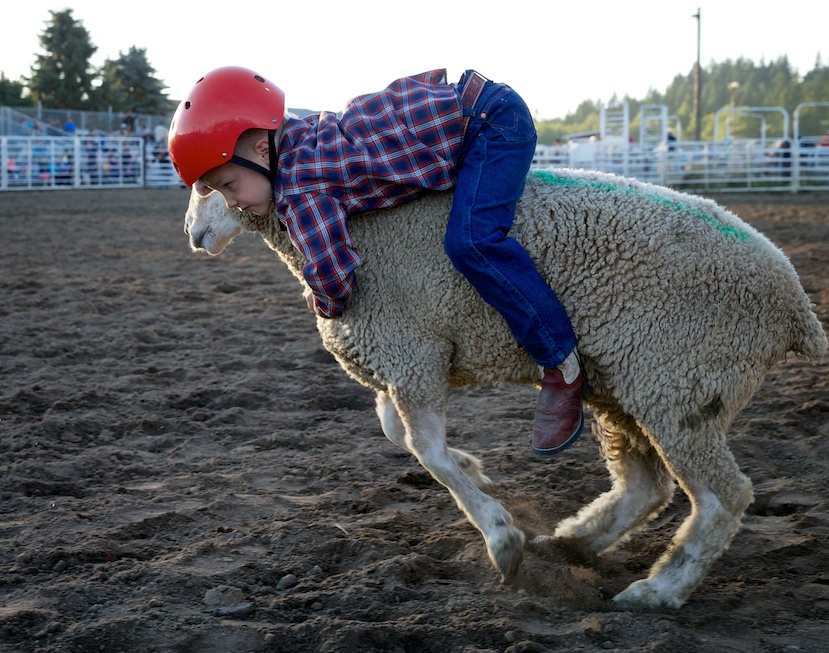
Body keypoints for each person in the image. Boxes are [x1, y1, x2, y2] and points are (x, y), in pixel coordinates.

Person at [168, 67, 588, 455]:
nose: (232, 203)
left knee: (472, 242)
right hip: (472, 109)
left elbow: (334, 274)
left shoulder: (300, 187)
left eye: (228, 185)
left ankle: (561, 363)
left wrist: (323, 302)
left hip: (492, 123)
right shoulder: (304, 135)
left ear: (263, 152)